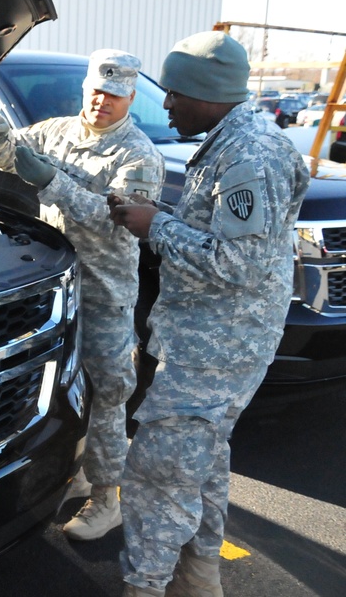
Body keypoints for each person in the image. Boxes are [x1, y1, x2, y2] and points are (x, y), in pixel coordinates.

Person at [109, 32, 310, 597]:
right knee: (202, 462)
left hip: (216, 348)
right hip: (212, 338)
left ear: (209, 94)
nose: (166, 103)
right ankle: (199, 576)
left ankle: (146, 586)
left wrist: (157, 226)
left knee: (158, 474)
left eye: (175, 93)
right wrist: (160, 215)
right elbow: (225, 233)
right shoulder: (231, 139)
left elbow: (237, 262)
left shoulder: (249, 153)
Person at [0, 49, 165, 542]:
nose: (103, 102)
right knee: (58, 385)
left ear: (130, 97)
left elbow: (116, 217)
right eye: (96, 91)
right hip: (56, 286)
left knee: (107, 393)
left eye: (116, 95)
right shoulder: (56, 131)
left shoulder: (139, 154)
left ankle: (107, 499)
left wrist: (49, 180)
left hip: (104, 290)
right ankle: (77, 470)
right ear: (85, 88)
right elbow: (12, 154)